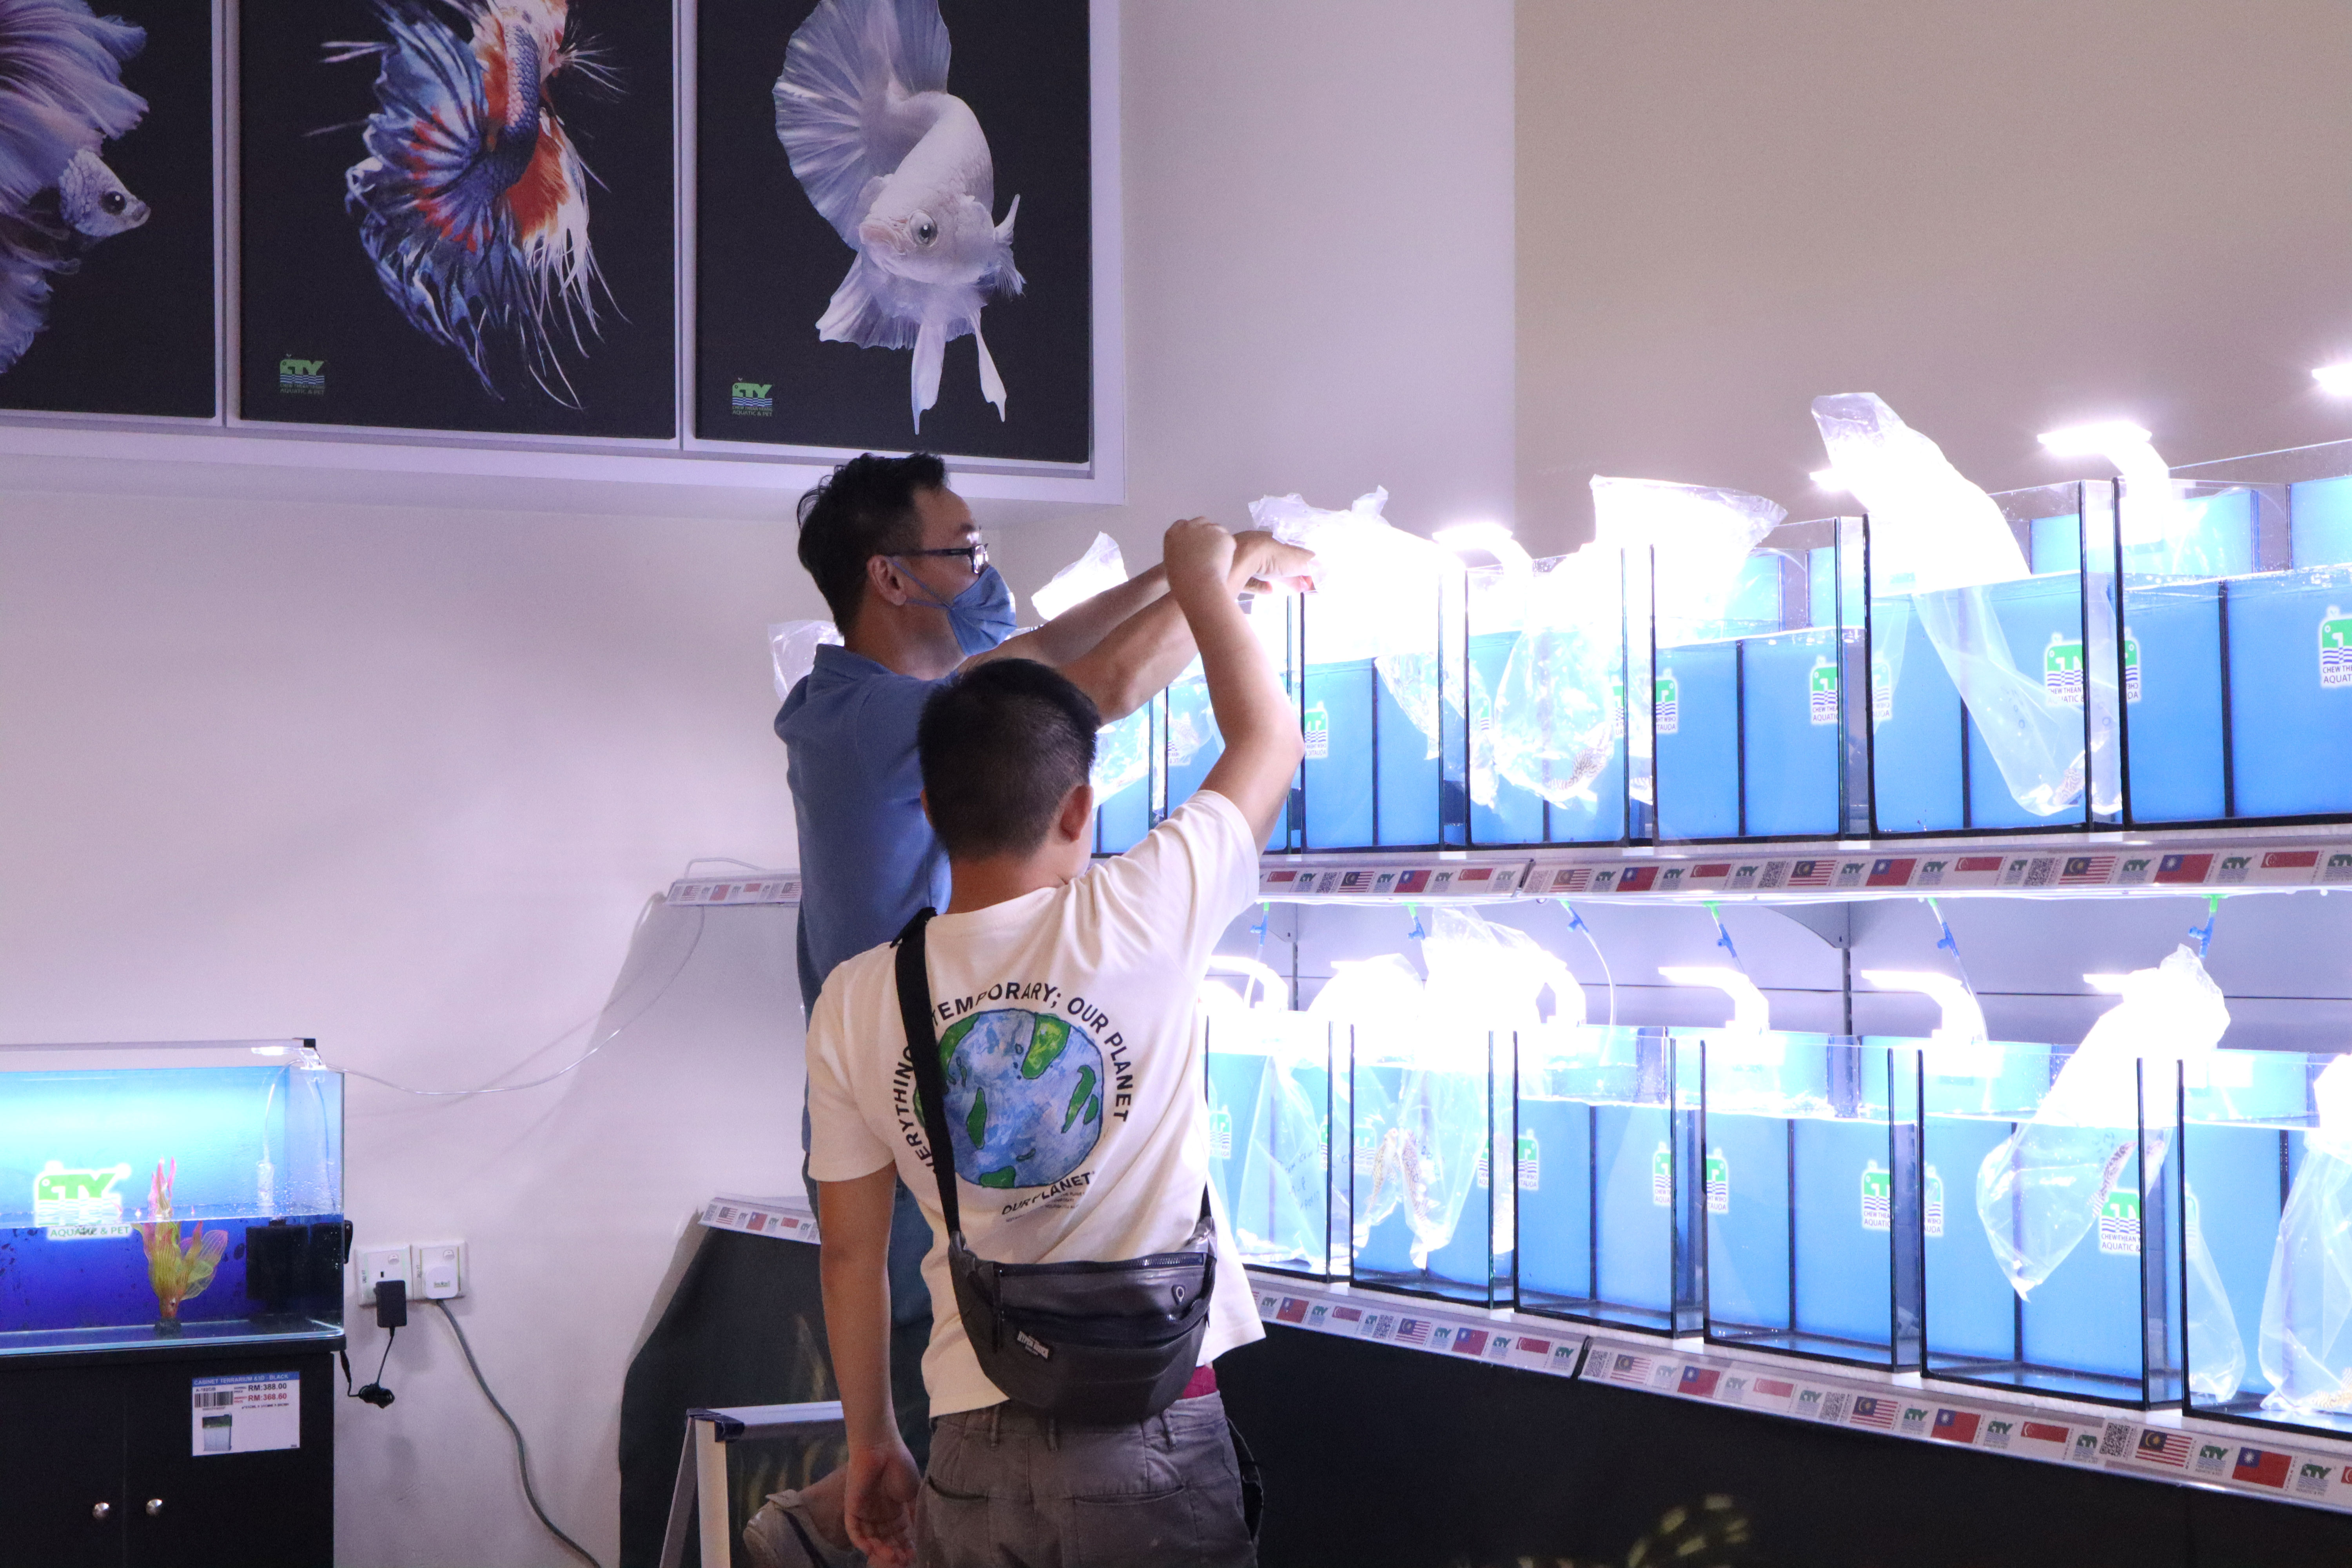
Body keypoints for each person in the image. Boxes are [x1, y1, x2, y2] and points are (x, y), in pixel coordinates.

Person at [757, 455, 1309, 1561]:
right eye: (963, 551)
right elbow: (1114, 691)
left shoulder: (862, 997)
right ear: (1080, 809)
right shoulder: (1131, 918)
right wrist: (1218, 574)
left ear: (932, 804)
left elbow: (1046, 663)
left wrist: (871, 1441)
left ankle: (827, 1510)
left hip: (976, 1428)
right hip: (1152, 1429)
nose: (984, 570)